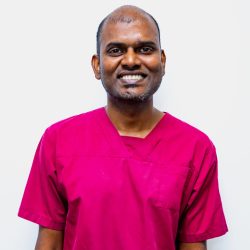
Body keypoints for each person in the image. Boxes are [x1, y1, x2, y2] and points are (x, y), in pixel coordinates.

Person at [18, 5, 228, 250]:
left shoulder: (196, 149)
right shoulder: (58, 141)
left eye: (145, 49)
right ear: (97, 65)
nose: (130, 60)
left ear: (162, 61)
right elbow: (49, 244)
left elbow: (193, 246)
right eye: (116, 50)